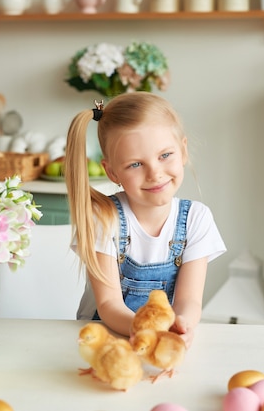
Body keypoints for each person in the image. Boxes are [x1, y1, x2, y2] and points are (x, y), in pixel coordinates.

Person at [65, 92, 226, 347]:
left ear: (183, 151)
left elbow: (189, 301)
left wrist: (182, 324)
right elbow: (108, 305)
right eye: (136, 164)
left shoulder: (197, 219)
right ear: (112, 172)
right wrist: (145, 331)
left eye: (165, 155)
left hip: (160, 339)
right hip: (105, 339)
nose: (155, 174)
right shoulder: (104, 219)